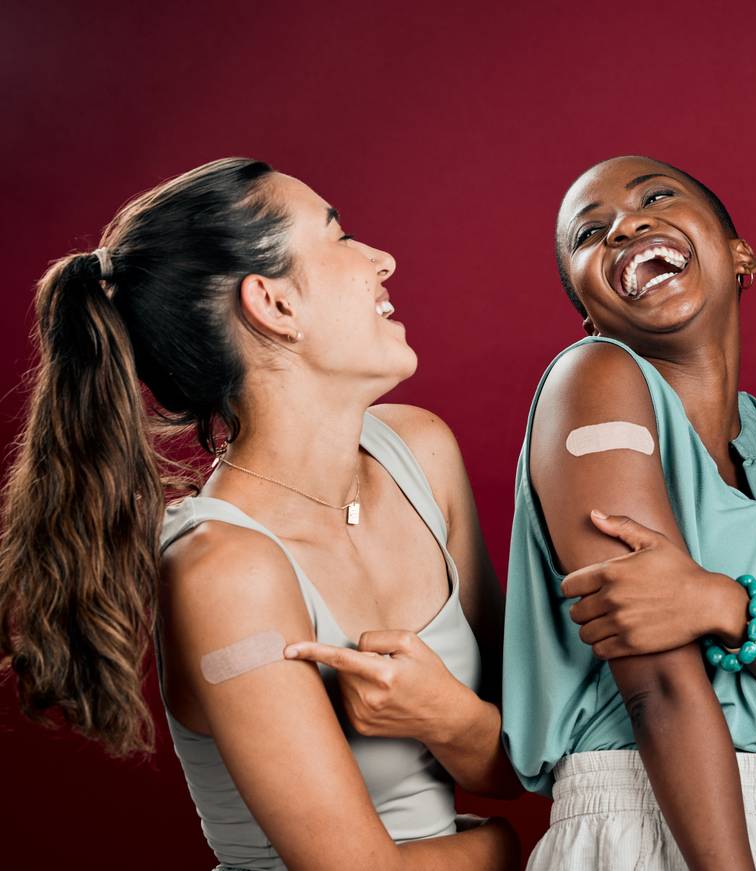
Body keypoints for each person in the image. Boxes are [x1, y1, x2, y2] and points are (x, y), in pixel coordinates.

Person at [0, 158, 521, 870]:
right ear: (273, 305)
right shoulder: (224, 569)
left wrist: (445, 715)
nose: (383, 260)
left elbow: (520, 759)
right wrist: (500, 845)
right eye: (340, 238)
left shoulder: (422, 456)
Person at [503, 155, 756, 870]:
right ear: (589, 311)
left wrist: (724, 605)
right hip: (650, 823)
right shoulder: (592, 377)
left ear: (740, 255)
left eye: (656, 196)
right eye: (592, 233)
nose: (627, 226)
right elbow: (658, 687)